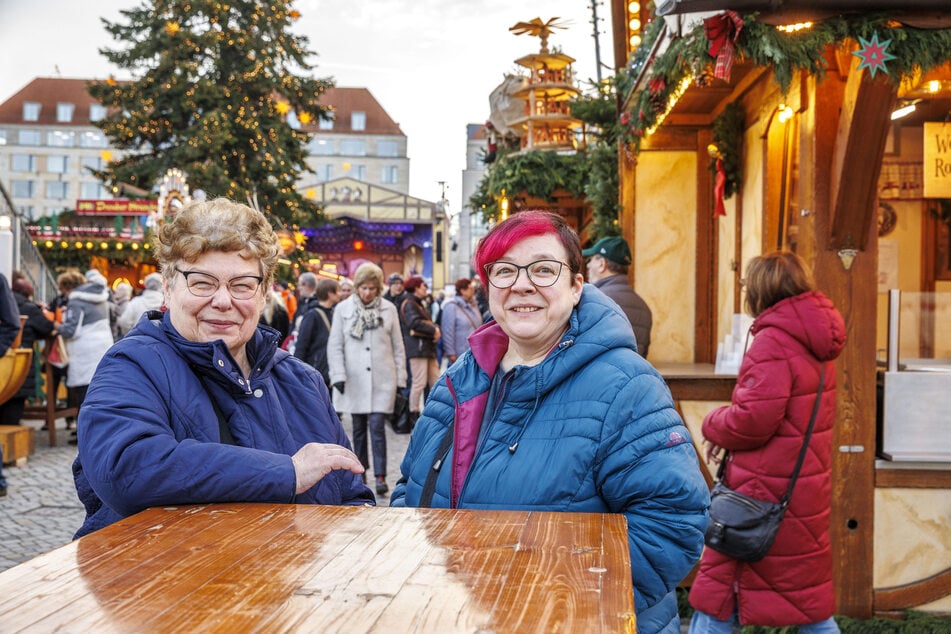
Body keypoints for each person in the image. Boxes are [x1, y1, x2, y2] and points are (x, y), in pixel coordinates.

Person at [390, 210, 709, 633]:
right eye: (504, 270)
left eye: (543, 269)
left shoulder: (626, 386)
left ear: (577, 286)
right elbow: (408, 489)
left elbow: (672, 524)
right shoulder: (459, 378)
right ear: (489, 287)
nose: (522, 284)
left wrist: (553, 604)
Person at [71, 198, 374, 538]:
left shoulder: (302, 381)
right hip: (169, 585)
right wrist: (288, 472)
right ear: (169, 287)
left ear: (263, 294)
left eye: (242, 285)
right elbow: (127, 468)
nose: (223, 300)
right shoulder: (131, 365)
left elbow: (352, 495)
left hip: (290, 584)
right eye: (202, 282)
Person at [688, 251, 846, 634]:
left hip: (759, 491)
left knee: (720, 595)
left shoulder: (774, 340)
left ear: (759, 291)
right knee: (803, 599)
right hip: (798, 488)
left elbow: (753, 420)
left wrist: (712, 424)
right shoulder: (815, 338)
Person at [327, 263, 406, 497]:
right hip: (353, 379)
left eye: (372, 288)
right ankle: (360, 472)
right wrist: (338, 375)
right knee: (358, 429)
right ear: (356, 287)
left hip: (383, 378)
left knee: (377, 426)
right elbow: (335, 346)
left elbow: (398, 347)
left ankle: (380, 475)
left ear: (378, 288)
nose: (367, 293)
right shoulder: (342, 309)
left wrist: (401, 379)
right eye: (363, 287)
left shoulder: (389, 309)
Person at [59, 270, 115, 445]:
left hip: (84, 351)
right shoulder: (102, 297)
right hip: (103, 345)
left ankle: (85, 434)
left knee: (83, 394)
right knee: (99, 391)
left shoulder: (76, 300)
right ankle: (95, 432)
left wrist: (56, 325)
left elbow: (71, 330)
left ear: (68, 288)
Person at [583, 235, 653, 358]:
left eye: (591, 259)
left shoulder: (592, 300)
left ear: (601, 264)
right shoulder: (644, 307)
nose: (588, 265)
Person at [0, 277, 56, 426]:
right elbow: (47, 327)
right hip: (18, 365)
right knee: (12, 413)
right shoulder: (30, 308)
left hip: (10, 363)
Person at [399, 276, 440, 426]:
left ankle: (431, 414)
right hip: (418, 348)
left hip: (425, 348)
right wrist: (434, 328)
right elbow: (414, 323)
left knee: (435, 381)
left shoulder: (415, 303)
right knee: (419, 383)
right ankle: (413, 416)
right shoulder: (410, 303)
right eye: (424, 286)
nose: (426, 289)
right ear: (416, 287)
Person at [294, 278, 340, 386]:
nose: (340, 294)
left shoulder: (334, 312)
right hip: (316, 371)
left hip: (327, 370)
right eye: (337, 291)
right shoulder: (312, 315)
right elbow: (301, 344)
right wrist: (297, 372)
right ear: (330, 293)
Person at [440, 277, 483, 366]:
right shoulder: (451, 307)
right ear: (463, 291)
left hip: (476, 353)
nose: (473, 291)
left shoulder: (474, 305)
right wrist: (450, 353)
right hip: (459, 355)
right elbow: (447, 331)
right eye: (470, 288)